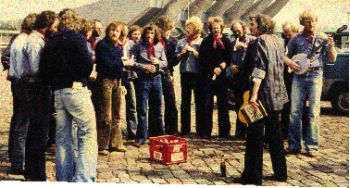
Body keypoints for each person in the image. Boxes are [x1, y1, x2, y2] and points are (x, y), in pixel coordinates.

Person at [39, 9, 97, 182]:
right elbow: (87, 65)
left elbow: (44, 70)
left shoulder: (51, 41)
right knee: (87, 134)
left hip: (58, 91)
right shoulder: (77, 38)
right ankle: (84, 179)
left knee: (63, 138)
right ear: (75, 22)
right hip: (76, 89)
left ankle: (63, 180)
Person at [236, 14, 288, 185]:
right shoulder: (279, 40)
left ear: (261, 25)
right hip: (277, 94)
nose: (249, 27)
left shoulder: (260, 41)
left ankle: (253, 176)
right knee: (275, 135)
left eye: (252, 24)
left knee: (254, 137)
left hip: (262, 95)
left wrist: (253, 95)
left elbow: (260, 69)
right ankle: (281, 173)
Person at [285, 10, 337, 157]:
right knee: (295, 111)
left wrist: (331, 46)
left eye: (313, 20)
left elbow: (332, 59)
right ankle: (294, 145)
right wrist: (292, 64)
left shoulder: (322, 38)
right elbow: (284, 56)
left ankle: (312, 146)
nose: (311, 23)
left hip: (316, 75)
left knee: (314, 111)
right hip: (299, 77)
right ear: (302, 22)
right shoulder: (295, 39)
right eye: (307, 20)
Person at [22, 10, 58, 181]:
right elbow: (36, 69)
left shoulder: (38, 39)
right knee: (39, 132)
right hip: (38, 88)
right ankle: (36, 174)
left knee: (35, 131)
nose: (56, 29)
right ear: (46, 26)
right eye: (55, 26)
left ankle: (32, 171)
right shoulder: (36, 41)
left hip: (38, 87)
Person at [7, 13, 37, 175]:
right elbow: (32, 68)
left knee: (19, 123)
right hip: (26, 84)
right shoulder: (27, 41)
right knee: (24, 125)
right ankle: (20, 162)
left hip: (17, 83)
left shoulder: (17, 39)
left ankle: (16, 159)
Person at [130, 24, 167, 147]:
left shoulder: (160, 46)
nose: (149, 36)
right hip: (143, 80)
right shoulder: (137, 46)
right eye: (147, 33)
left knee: (157, 108)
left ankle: (158, 135)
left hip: (156, 79)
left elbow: (165, 62)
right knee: (142, 109)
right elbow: (132, 62)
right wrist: (144, 66)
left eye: (152, 33)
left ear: (155, 34)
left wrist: (158, 64)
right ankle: (141, 137)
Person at [95, 21, 128, 155]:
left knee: (117, 113)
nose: (114, 33)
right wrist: (122, 62)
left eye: (117, 31)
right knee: (106, 114)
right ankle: (103, 145)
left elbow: (120, 68)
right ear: (108, 31)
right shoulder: (102, 45)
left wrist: (123, 83)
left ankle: (116, 143)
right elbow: (107, 64)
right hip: (105, 81)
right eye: (112, 30)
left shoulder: (118, 47)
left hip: (117, 81)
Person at [198, 16, 232, 139]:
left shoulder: (226, 41)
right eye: (213, 28)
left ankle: (224, 133)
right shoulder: (206, 41)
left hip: (222, 78)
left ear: (221, 28)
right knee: (207, 104)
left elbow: (228, 58)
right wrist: (213, 68)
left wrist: (222, 66)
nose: (216, 30)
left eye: (217, 28)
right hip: (208, 77)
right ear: (210, 29)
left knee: (223, 105)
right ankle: (206, 131)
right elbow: (202, 58)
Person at [175, 16, 204, 137]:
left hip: (197, 74)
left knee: (199, 102)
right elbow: (175, 59)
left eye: (189, 27)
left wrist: (193, 50)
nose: (187, 29)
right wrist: (181, 54)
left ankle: (200, 130)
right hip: (185, 74)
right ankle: (185, 129)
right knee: (185, 102)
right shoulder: (181, 42)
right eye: (186, 27)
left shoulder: (202, 42)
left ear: (196, 28)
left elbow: (203, 59)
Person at [229, 21, 255, 140]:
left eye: (238, 29)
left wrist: (244, 46)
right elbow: (229, 56)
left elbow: (256, 55)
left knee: (250, 103)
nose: (236, 32)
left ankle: (252, 131)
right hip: (238, 75)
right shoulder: (232, 42)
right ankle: (240, 131)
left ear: (243, 28)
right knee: (239, 104)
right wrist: (231, 66)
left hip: (249, 75)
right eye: (234, 30)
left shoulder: (252, 40)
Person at [154, 16, 179, 135]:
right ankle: (156, 129)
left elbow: (172, 60)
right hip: (156, 72)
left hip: (167, 72)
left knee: (171, 101)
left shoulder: (173, 41)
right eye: (166, 29)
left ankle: (172, 129)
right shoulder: (156, 40)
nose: (168, 31)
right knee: (156, 102)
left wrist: (180, 56)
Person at [280, 21, 301, 140]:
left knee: (296, 107)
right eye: (285, 35)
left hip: (296, 77)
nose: (287, 37)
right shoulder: (285, 43)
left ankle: (296, 132)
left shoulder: (299, 44)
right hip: (285, 78)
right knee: (284, 105)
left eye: (289, 34)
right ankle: (284, 131)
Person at [124, 25, 141, 140]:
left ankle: (138, 129)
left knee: (139, 104)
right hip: (130, 76)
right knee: (132, 104)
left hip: (138, 77)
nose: (137, 36)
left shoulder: (139, 45)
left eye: (139, 34)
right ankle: (133, 131)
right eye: (135, 34)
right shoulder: (129, 44)